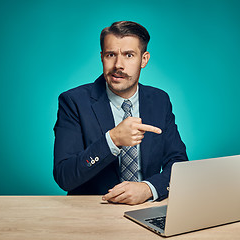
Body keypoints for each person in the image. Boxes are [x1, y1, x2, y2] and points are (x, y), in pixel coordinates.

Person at [53, 21, 188, 205]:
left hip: (147, 208)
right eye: (111, 55)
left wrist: (148, 188)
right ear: (102, 57)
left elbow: (179, 164)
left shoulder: (159, 100)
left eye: (129, 55)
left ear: (144, 59)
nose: (118, 65)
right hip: (93, 212)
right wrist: (112, 140)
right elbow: (65, 176)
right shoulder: (73, 102)